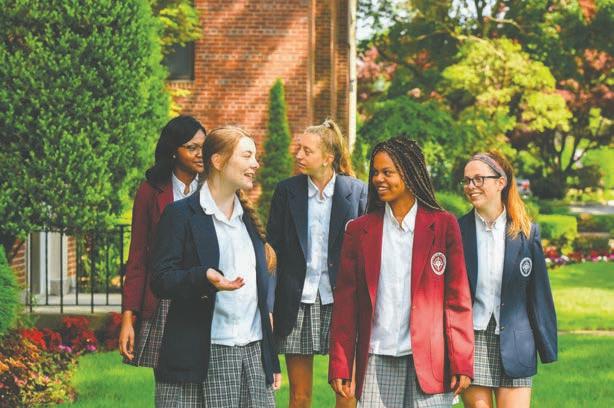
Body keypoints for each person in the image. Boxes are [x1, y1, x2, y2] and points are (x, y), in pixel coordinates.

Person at [329, 137, 474, 407]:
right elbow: (346, 305)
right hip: (377, 358)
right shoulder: (358, 231)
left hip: (430, 362)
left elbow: (457, 301)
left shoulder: (444, 225)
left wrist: (461, 360)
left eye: (387, 172)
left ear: (409, 173)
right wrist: (340, 363)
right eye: (375, 172)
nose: (378, 179)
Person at [151, 126, 281, 407]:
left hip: (252, 356)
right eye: (246, 155)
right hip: (201, 355)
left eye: (255, 156)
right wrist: (203, 277)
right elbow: (161, 279)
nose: (255, 164)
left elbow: (260, 297)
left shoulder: (248, 221)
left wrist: (270, 359)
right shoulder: (180, 215)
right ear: (218, 161)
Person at [267, 119, 367, 407]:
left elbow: (369, 254)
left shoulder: (358, 192)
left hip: (343, 302)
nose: (298, 155)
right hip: (296, 302)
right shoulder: (286, 191)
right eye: (299, 149)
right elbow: (273, 252)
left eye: (306, 151)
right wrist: (270, 305)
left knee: (346, 392)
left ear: (328, 158)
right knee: (299, 397)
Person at [458, 151, 557, 408]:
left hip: (516, 342)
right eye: (467, 180)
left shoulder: (526, 232)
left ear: (500, 182)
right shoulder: (457, 231)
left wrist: (547, 345)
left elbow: (539, 293)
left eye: (478, 179)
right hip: (472, 342)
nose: (471, 186)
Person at [119, 115, 205, 371]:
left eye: (204, 146)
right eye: (192, 147)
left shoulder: (214, 187)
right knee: (168, 383)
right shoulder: (150, 191)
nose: (201, 154)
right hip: (164, 298)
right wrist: (128, 318)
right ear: (173, 151)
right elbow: (138, 257)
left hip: (204, 295)